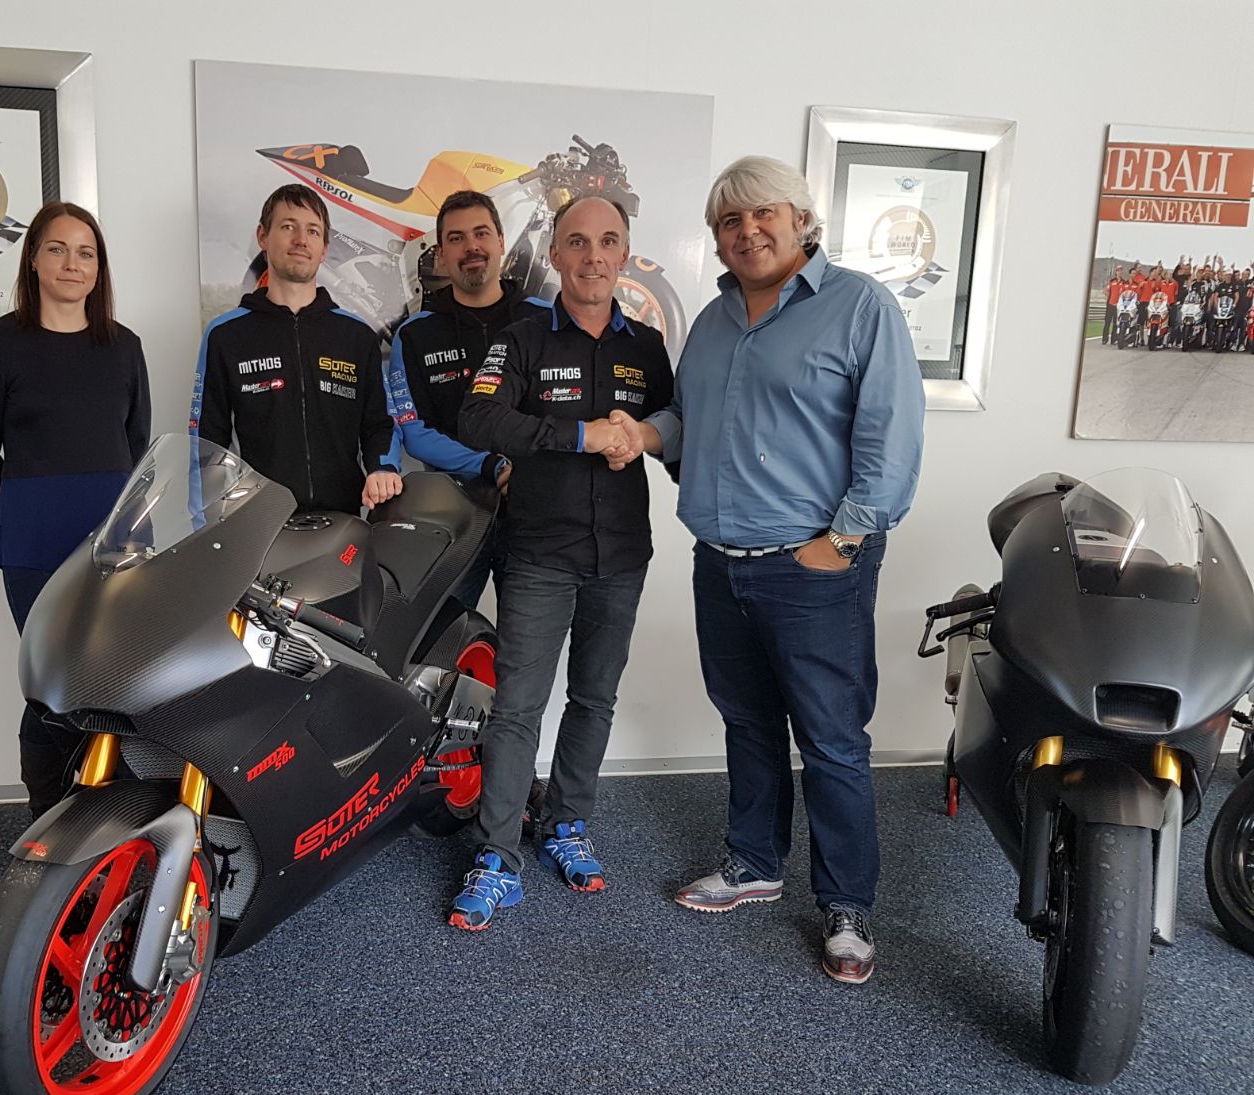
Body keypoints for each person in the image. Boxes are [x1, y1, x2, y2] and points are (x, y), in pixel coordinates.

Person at [614, 156, 924, 984]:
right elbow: (690, 419)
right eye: (730, 221)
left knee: (830, 740)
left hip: (813, 565)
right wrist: (645, 434)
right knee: (747, 721)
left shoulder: (859, 306)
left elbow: (891, 436)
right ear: (716, 236)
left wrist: (844, 540)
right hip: (721, 561)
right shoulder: (714, 319)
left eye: (763, 215)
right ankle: (754, 862)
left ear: (800, 220)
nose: (747, 231)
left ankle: (846, 904)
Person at [448, 195, 673, 930]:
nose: (594, 257)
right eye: (578, 242)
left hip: (621, 555)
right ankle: (496, 856)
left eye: (608, 242)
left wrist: (642, 437)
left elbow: (674, 431)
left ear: (625, 253)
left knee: (594, 699)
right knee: (517, 708)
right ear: (555, 253)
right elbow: (479, 418)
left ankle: (568, 824)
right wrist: (580, 436)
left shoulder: (648, 347)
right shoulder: (520, 339)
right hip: (539, 555)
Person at [0, 200, 151, 815]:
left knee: (115, 679)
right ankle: (48, 810)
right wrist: (19, 514)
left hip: (114, 544)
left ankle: (108, 810)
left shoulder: (124, 346)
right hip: (35, 541)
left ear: (99, 269)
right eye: (58, 249)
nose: (73, 264)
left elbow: (137, 445)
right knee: (54, 683)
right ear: (33, 260)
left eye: (86, 253)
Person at [387, 191, 551, 608]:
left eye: (481, 233)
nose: (471, 247)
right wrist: (489, 465)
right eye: (456, 238)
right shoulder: (415, 333)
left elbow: (561, 412)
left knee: (527, 643)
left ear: (501, 241)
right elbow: (415, 432)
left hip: (534, 514)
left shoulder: (544, 319)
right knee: (439, 639)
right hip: (451, 518)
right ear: (441, 255)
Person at [192, 185, 400, 513]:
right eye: (288, 226)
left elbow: (380, 423)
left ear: (324, 248)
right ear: (263, 236)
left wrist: (383, 468)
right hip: (261, 523)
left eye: (313, 231)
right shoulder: (225, 335)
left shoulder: (357, 335)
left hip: (344, 520)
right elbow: (206, 442)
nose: (301, 240)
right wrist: (203, 520)